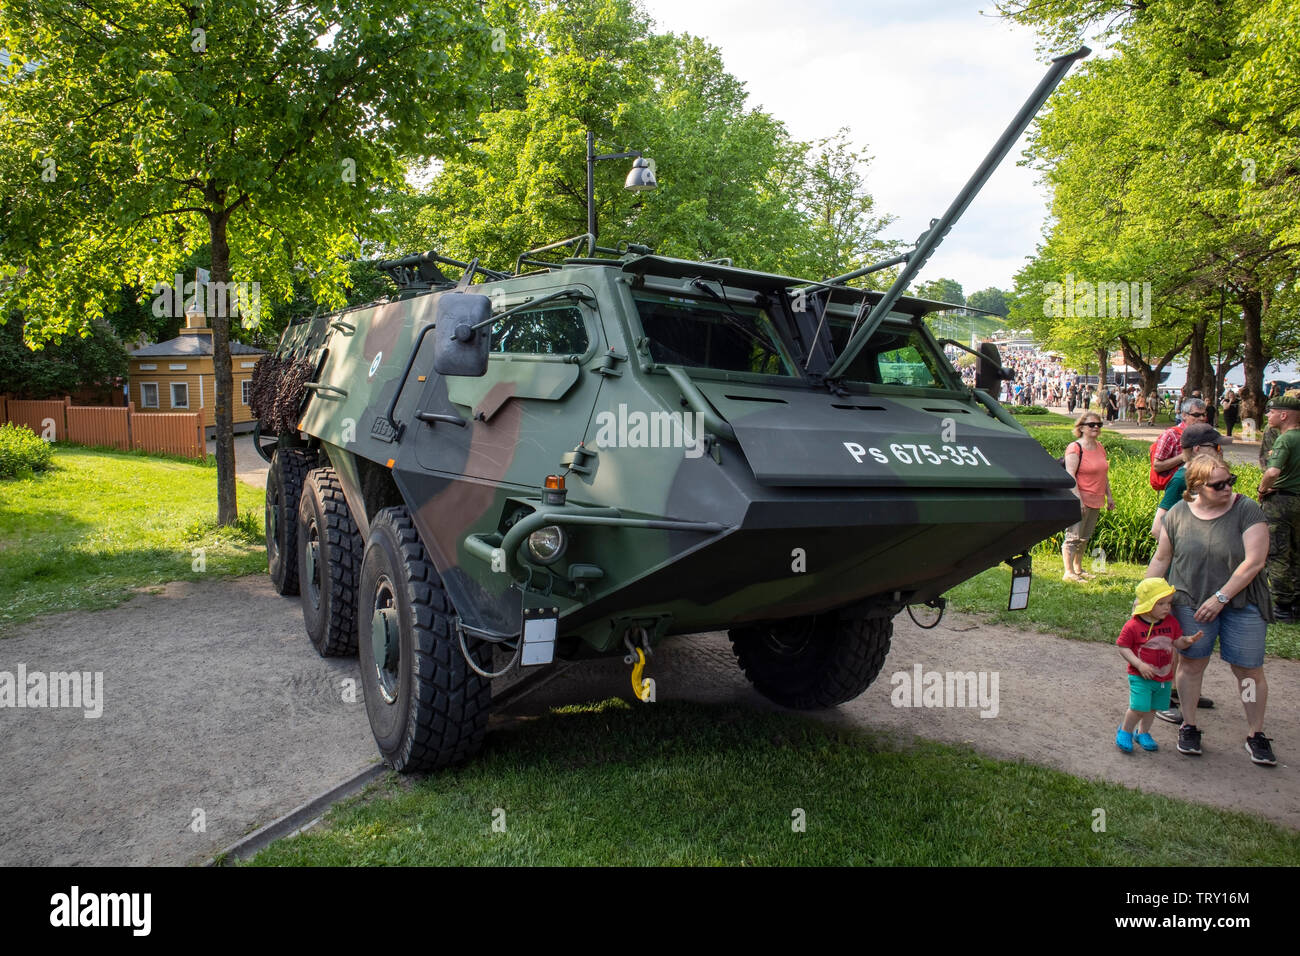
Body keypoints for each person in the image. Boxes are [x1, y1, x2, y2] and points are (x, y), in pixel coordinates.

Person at [1146, 456, 1277, 765]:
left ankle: (1255, 733)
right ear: (1196, 487)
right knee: (1192, 664)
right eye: (1219, 484)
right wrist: (1145, 598)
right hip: (1190, 600)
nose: (1227, 488)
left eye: (1230, 480)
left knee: (1247, 670)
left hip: (1242, 603)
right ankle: (1189, 725)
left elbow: (1254, 561)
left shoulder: (1245, 509)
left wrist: (1221, 597)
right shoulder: (1177, 514)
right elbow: (1162, 558)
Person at [1148, 422, 1224, 723]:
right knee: (1169, 637)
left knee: (1189, 638)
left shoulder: (1210, 478)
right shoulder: (1182, 478)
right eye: (1213, 447)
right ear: (1196, 450)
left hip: (1197, 574)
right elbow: (1159, 527)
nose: (1219, 452)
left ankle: (1182, 690)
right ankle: (1163, 696)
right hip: (1179, 571)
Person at [1115, 578, 1205, 753]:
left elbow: (1176, 643)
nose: (1167, 608)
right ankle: (1125, 731)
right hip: (1140, 676)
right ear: (1147, 604)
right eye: (1161, 603)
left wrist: (1187, 640)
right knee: (1138, 707)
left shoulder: (1171, 622)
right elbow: (1123, 647)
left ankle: (1143, 733)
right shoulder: (1133, 625)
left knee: (1152, 708)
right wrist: (1139, 665)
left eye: (1169, 603)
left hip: (1164, 677)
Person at [1258, 393, 1300, 621]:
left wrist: (1262, 490)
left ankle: (1282, 605)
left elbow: (1272, 471)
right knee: (1297, 550)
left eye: (1271, 412)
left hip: (1281, 502)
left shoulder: (1285, 439)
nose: (1268, 416)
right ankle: (1297, 602)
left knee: (1278, 552)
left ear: (1284, 415)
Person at [1062, 412, 1115, 582]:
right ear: (1082, 427)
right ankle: (1068, 572)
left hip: (1096, 498)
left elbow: (1103, 474)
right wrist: (1078, 499)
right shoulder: (1075, 448)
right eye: (1092, 424)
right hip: (1080, 498)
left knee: (1085, 537)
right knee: (1073, 536)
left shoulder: (1100, 447)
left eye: (1099, 424)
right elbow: (1070, 475)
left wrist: (1109, 496)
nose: (1096, 428)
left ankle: (1078, 568)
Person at [1151, 399, 1206, 486]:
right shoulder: (1171, 435)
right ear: (1184, 415)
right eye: (1196, 415)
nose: (1202, 418)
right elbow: (1157, 466)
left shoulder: (1205, 434)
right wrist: (1183, 457)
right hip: (1178, 488)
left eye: (1203, 414)